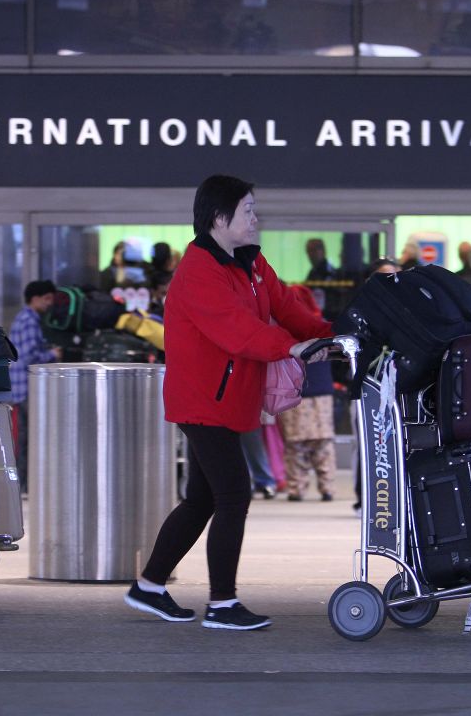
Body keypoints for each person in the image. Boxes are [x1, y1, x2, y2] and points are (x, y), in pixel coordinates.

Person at [125, 174, 332, 631]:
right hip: (202, 400)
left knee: (201, 498)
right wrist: (290, 347)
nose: (256, 219)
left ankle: (150, 586)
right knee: (233, 492)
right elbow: (235, 328)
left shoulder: (252, 265)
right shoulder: (199, 269)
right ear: (220, 219)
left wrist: (326, 336)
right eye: (249, 211)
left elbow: (289, 308)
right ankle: (222, 603)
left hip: (225, 399)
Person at [278, 286, 336, 503]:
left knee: (296, 444)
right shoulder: (321, 324)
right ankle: (327, 488)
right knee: (323, 443)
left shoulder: (286, 327)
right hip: (322, 391)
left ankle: (296, 488)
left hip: (294, 391)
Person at [8, 280, 64, 490]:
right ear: (36, 298)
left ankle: (22, 484)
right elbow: (30, 356)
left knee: (23, 439)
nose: (50, 303)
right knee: (30, 439)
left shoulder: (22, 317)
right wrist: (53, 354)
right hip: (28, 388)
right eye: (47, 298)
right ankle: (27, 484)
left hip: (19, 387)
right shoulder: (30, 320)